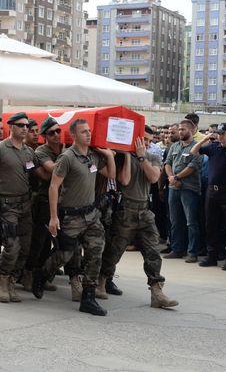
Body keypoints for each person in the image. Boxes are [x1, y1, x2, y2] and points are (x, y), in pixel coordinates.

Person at [32, 119, 115, 315]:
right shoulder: (67, 157)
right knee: (64, 254)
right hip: (71, 216)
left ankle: (88, 298)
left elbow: (111, 174)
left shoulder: (93, 157)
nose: (88, 134)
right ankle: (42, 275)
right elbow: (53, 186)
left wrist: (109, 155)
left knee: (95, 253)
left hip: (91, 214)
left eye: (89, 131)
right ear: (74, 135)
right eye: (84, 132)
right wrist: (54, 218)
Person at [99, 128, 178, 309]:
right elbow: (124, 180)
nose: (148, 143)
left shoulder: (153, 157)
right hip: (125, 210)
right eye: (144, 140)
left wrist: (142, 157)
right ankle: (101, 280)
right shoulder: (122, 157)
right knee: (114, 251)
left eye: (149, 140)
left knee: (153, 252)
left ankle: (157, 292)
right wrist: (128, 155)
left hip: (144, 210)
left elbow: (153, 177)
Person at [0, 112, 45, 303]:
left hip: (25, 204)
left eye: (27, 126)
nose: (25, 129)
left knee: (25, 247)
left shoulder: (29, 152)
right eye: (21, 125)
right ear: (11, 127)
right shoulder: (0, 149)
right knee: (12, 246)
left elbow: (42, 174)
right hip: (6, 204)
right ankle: (1, 278)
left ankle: (12, 281)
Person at [22, 117, 63, 293]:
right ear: (45, 136)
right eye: (51, 132)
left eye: (58, 131)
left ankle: (43, 273)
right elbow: (52, 172)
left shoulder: (65, 149)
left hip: (63, 202)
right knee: (39, 241)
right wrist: (69, 157)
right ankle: (29, 273)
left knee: (60, 243)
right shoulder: (40, 152)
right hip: (43, 202)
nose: (56, 135)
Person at [191, 123, 226, 268]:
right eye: (218, 133)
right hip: (212, 191)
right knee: (211, 224)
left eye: (223, 133)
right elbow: (194, 151)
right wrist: (205, 139)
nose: (220, 136)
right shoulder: (213, 147)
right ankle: (211, 256)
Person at [164, 119, 202, 261]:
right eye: (179, 129)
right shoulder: (174, 146)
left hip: (189, 189)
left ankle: (192, 252)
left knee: (191, 221)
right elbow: (167, 163)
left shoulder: (196, 147)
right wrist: (171, 178)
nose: (180, 132)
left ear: (192, 131)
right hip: (173, 187)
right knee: (175, 220)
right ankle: (177, 249)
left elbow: (193, 166)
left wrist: (177, 177)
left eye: (183, 129)